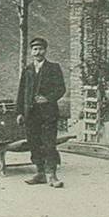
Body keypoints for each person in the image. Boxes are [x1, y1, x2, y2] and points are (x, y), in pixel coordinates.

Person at [16, 37, 66, 188]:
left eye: (41, 49)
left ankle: (52, 175)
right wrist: (19, 112)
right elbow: (21, 92)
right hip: (31, 114)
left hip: (48, 113)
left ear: (45, 50)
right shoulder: (28, 70)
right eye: (35, 49)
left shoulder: (54, 68)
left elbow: (61, 89)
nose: (38, 52)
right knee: (34, 144)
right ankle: (40, 173)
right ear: (31, 52)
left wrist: (48, 99)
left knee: (49, 144)